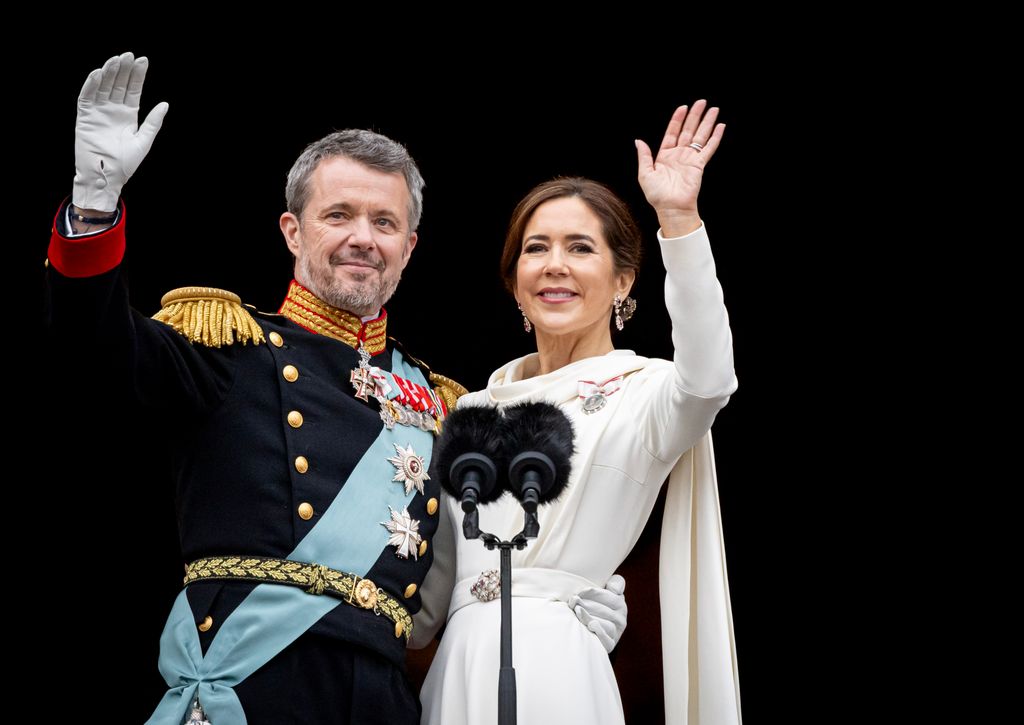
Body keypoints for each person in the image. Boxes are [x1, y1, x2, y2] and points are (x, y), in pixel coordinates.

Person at [45, 52, 625, 725]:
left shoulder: (442, 407)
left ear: (408, 247)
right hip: (250, 689)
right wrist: (93, 207)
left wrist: (547, 616)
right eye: (339, 215)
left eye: (383, 223)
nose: (362, 238)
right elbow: (92, 345)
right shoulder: (227, 347)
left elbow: (468, 571)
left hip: (380, 703)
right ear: (293, 231)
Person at [414, 101, 742, 724]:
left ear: (623, 281)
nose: (555, 264)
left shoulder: (647, 393)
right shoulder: (468, 412)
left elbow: (710, 380)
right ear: (515, 281)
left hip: (560, 664)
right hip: (458, 668)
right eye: (536, 248)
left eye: (580, 248)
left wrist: (678, 220)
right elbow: (428, 597)